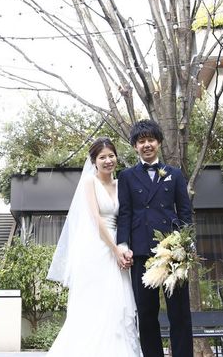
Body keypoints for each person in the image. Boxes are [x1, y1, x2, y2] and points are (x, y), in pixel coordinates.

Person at [46, 137, 142, 357]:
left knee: (117, 304)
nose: (108, 161)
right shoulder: (89, 182)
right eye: (102, 157)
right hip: (96, 248)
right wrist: (115, 250)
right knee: (94, 304)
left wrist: (123, 247)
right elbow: (96, 219)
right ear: (94, 161)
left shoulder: (120, 184)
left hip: (118, 245)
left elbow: (126, 216)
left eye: (111, 156)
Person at [117, 119, 193, 357]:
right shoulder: (126, 176)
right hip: (141, 250)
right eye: (141, 141)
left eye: (151, 140)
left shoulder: (174, 174)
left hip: (173, 251)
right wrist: (123, 244)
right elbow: (125, 213)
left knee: (179, 312)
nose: (147, 145)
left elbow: (185, 211)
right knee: (146, 313)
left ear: (158, 142)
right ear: (135, 146)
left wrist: (185, 242)